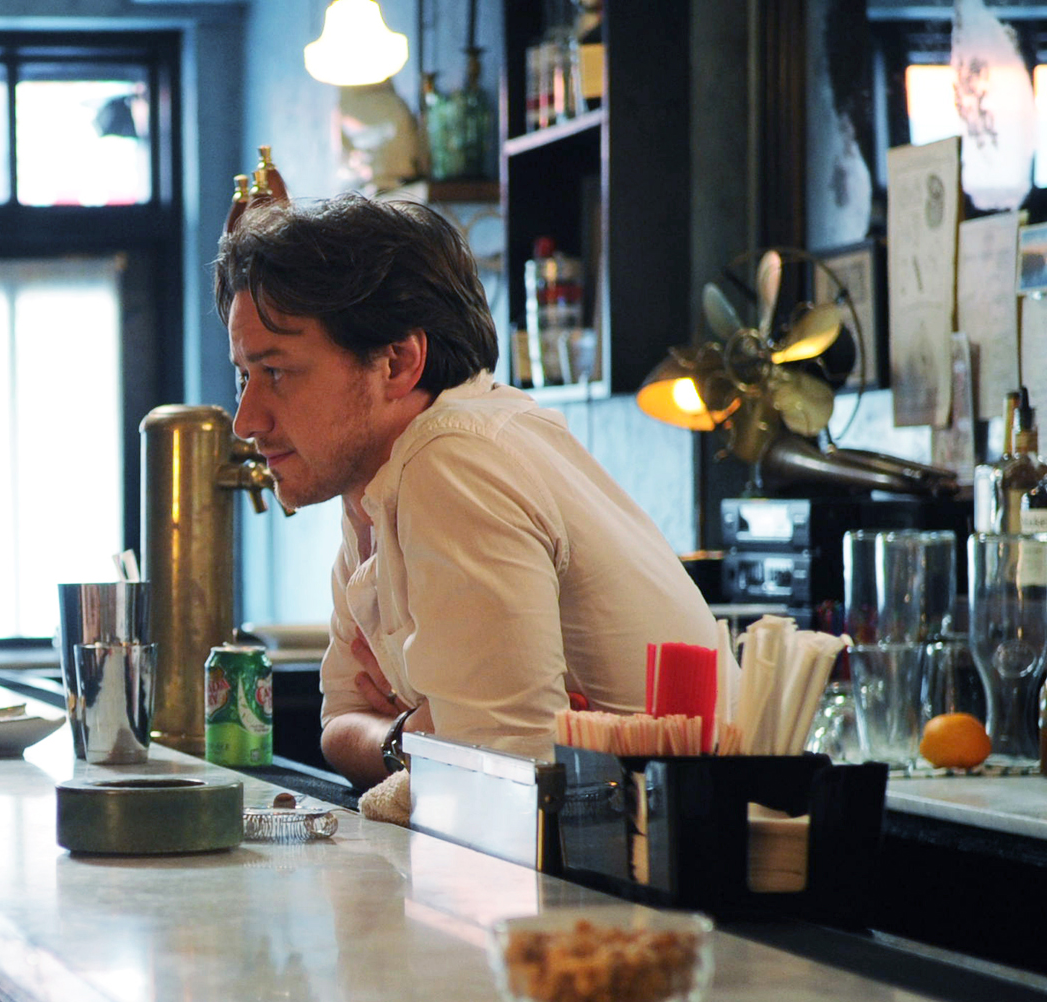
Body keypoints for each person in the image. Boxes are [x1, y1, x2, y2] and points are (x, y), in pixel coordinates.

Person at [216, 196, 733, 787]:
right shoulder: (376, 494)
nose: (245, 420)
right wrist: (411, 737)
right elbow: (339, 724)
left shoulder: (452, 460)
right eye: (244, 376)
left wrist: (414, 738)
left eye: (276, 372)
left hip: (685, 836)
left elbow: (501, 776)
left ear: (397, 362)